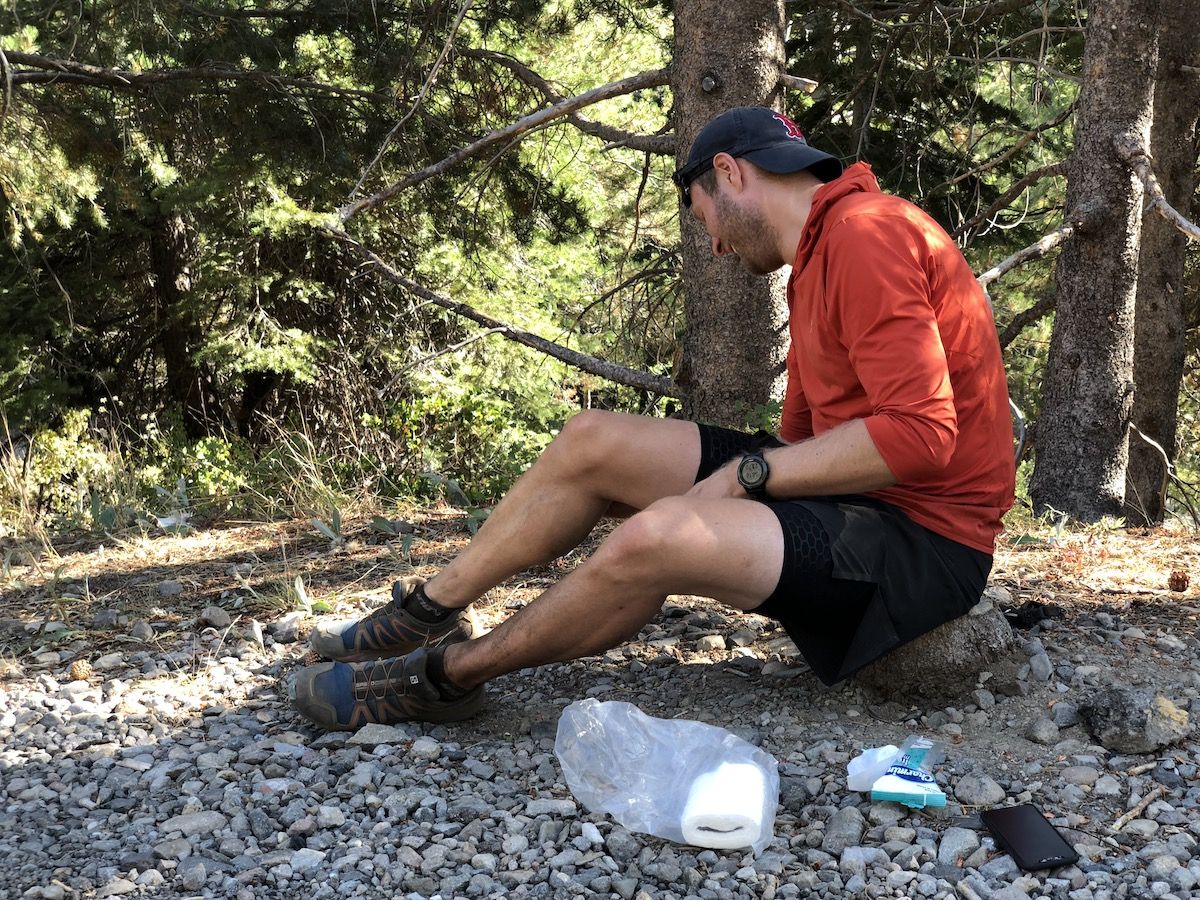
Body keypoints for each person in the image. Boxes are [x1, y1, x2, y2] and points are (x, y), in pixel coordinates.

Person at [289, 105, 1016, 731]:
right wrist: (752, 482)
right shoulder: (820, 255)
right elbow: (806, 439)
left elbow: (922, 435)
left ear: (730, 172)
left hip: (922, 545)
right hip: (856, 500)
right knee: (593, 439)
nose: (717, 245)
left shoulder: (869, 233)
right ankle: (428, 609)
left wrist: (744, 480)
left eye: (707, 219)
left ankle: (445, 677)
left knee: (658, 535)